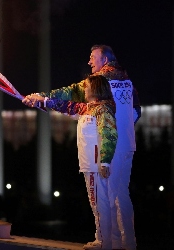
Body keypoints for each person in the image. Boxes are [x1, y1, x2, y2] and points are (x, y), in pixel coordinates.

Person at [24, 45, 141, 250]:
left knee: (104, 196)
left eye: (92, 57)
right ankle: (126, 241)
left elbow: (69, 95)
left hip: (106, 146)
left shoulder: (98, 82)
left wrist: (42, 97)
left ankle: (106, 241)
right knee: (120, 193)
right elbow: (137, 111)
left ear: (104, 59)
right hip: (125, 144)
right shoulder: (127, 81)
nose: (89, 61)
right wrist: (123, 129)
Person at [23, 75, 118, 249]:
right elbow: (65, 105)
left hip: (96, 165)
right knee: (97, 202)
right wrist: (40, 100)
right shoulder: (88, 108)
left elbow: (109, 135)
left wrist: (105, 162)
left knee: (100, 202)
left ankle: (104, 241)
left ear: (96, 89)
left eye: (87, 86)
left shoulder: (103, 110)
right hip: (90, 165)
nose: (84, 89)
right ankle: (106, 240)